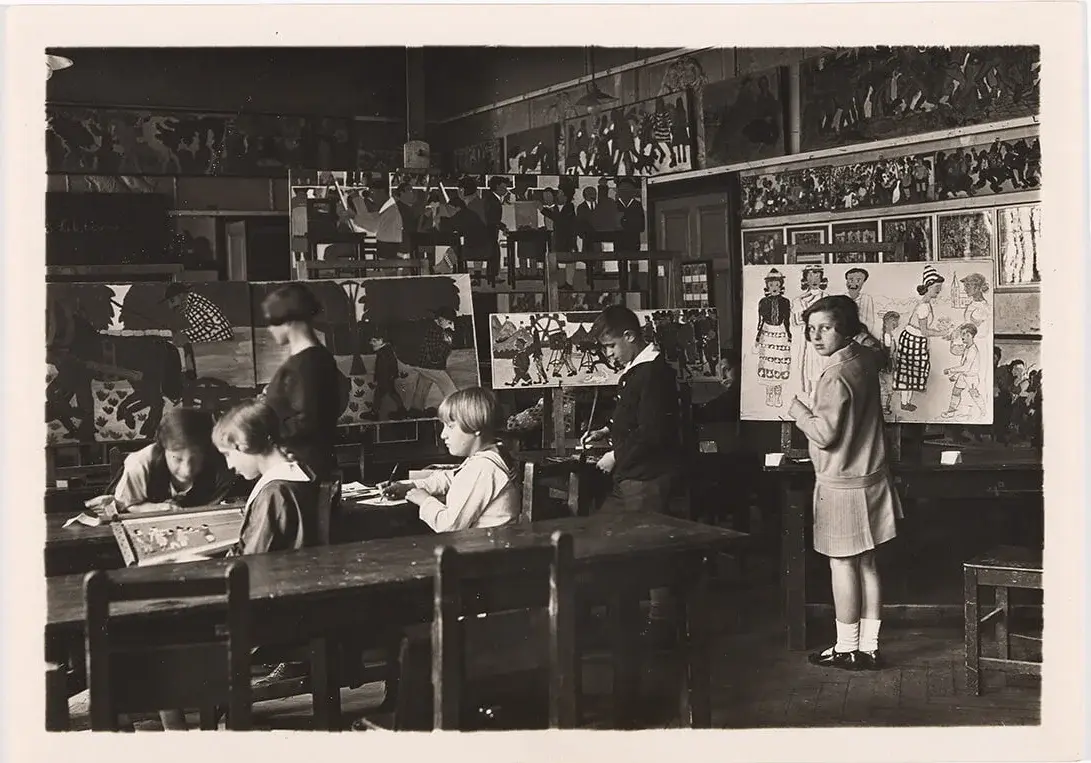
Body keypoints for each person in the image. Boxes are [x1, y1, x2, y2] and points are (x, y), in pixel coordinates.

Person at [788, 295, 902, 671]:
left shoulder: (835, 374)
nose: (816, 336)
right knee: (868, 564)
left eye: (826, 328)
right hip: (872, 479)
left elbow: (824, 435)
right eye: (811, 329)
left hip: (842, 487)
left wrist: (798, 411)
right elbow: (879, 351)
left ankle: (846, 647)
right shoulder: (865, 358)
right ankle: (869, 647)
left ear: (845, 329)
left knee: (842, 564)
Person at [580, 306, 680, 640]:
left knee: (650, 548)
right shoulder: (636, 371)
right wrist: (606, 431)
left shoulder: (653, 373)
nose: (608, 354)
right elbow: (633, 418)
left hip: (647, 476)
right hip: (631, 476)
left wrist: (614, 455)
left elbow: (653, 431)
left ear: (630, 336)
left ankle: (660, 623)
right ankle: (619, 616)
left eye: (611, 346)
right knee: (604, 537)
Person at [380, 388, 519, 532]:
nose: (443, 435)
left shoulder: (483, 468)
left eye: (450, 426)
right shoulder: (486, 458)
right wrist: (412, 485)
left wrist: (425, 500)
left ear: (476, 427)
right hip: (484, 542)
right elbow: (451, 478)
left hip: (482, 545)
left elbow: (449, 525)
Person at [260, 283, 348, 480]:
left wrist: (263, 423)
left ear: (289, 321)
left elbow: (307, 421)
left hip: (303, 468)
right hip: (302, 465)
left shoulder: (308, 364)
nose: (269, 329)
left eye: (272, 322)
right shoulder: (311, 360)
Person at [213, 399, 321, 556]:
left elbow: (253, 559)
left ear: (245, 445)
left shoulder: (275, 493)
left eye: (227, 454)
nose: (229, 465)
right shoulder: (298, 473)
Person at [109, 407, 236, 513]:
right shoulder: (139, 464)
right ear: (163, 447)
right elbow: (125, 505)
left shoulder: (223, 466)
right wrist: (158, 508)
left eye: (195, 459)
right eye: (178, 459)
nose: (187, 470)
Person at [368, 329, 407, 419]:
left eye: (374, 341)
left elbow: (384, 367)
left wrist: (382, 378)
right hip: (387, 377)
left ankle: (375, 413)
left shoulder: (384, 352)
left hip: (385, 378)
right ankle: (401, 411)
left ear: (381, 341)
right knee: (388, 393)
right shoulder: (386, 351)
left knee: (382, 394)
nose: (371, 343)